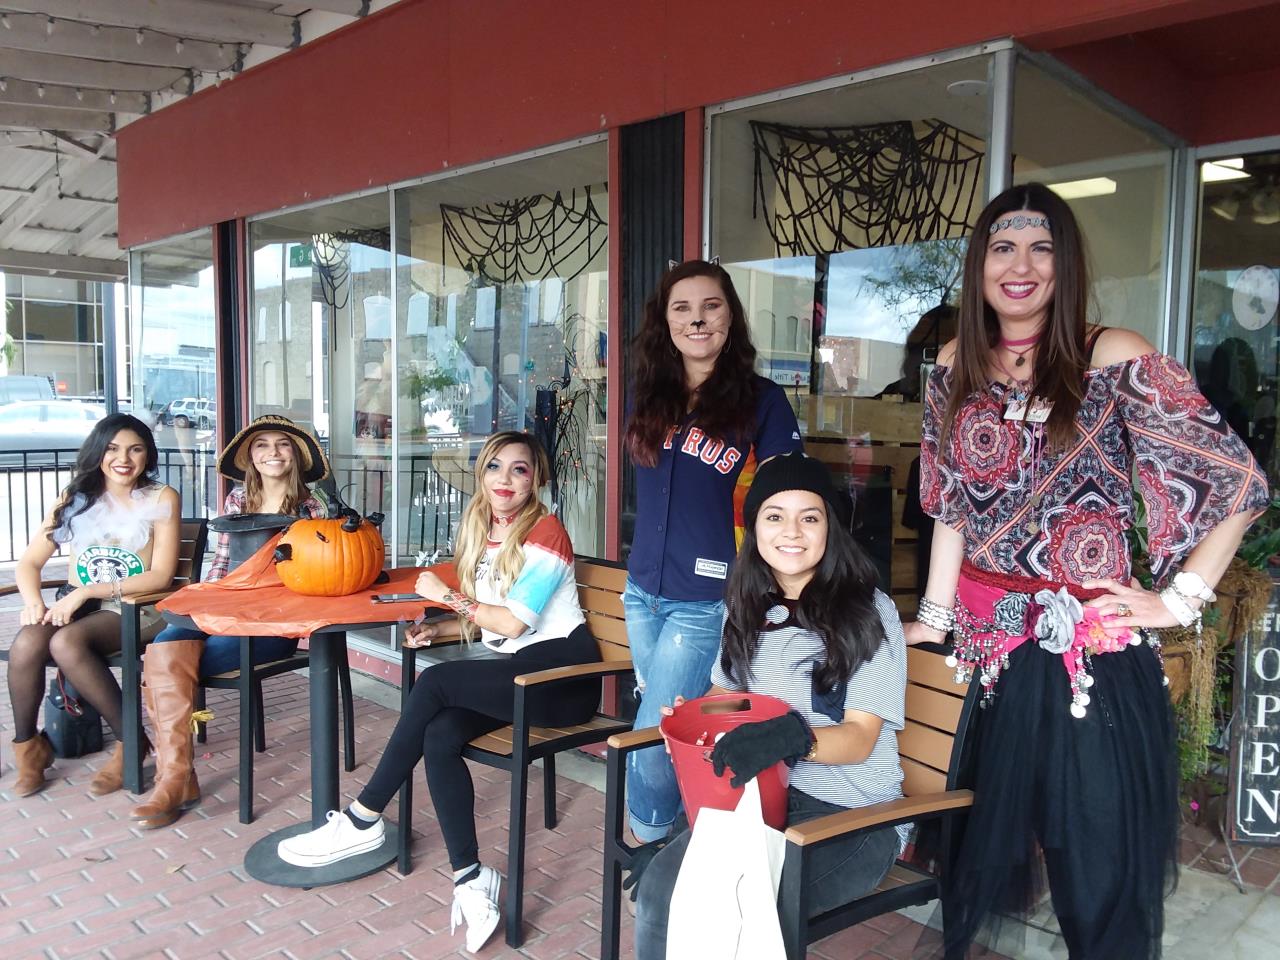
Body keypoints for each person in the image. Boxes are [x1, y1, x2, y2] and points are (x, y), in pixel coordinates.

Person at [907, 183, 1269, 959]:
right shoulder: (952, 366)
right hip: (988, 655)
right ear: (979, 266)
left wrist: (1178, 601)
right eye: (1003, 246)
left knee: (1095, 872)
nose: (1021, 265)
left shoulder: (1115, 355)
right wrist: (932, 620)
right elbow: (948, 508)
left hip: (1086, 659)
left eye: (1042, 247)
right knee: (976, 854)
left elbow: (1236, 482)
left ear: (1065, 265)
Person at [275, 431, 601, 953]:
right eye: (495, 467)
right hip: (519, 670)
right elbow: (493, 625)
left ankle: (363, 818)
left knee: (436, 681)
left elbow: (514, 626)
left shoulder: (546, 531)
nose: (505, 479)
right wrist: (441, 630)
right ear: (481, 474)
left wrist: (445, 597)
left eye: (520, 470)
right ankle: (471, 877)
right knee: (440, 736)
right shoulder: (488, 532)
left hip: (561, 680)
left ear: (536, 479)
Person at [632, 452, 907, 959]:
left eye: (810, 517)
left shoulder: (869, 611)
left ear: (830, 527)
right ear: (754, 528)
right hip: (757, 800)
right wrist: (693, 718)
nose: (792, 532)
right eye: (775, 516)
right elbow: (724, 699)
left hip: (851, 814)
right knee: (658, 896)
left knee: (734, 911)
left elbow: (861, 738)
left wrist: (790, 738)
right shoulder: (749, 604)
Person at [624, 258, 803, 844]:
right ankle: (687, 833)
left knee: (652, 741)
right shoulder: (648, 391)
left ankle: (652, 850)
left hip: (701, 602)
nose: (697, 320)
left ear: (731, 317)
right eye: (683, 308)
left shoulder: (761, 400)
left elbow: (786, 485)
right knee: (673, 727)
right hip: (639, 592)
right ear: (665, 321)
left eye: (711, 307)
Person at [129, 415, 330, 829]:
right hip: (226, 605)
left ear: (295, 455)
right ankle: (176, 774)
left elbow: (319, 575)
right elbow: (222, 566)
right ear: (250, 457)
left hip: (274, 622)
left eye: (282, 444)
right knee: (168, 642)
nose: (272, 453)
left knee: (167, 666)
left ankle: (176, 779)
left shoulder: (313, 507)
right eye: (262, 446)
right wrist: (209, 608)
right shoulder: (237, 502)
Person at [7, 414, 180, 798]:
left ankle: (131, 743)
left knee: (66, 643)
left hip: (138, 605)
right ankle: (29, 748)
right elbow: (29, 563)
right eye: (113, 448)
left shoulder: (160, 497)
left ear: (147, 455)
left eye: (135, 449)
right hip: (79, 605)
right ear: (98, 452)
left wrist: (85, 592)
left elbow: (161, 577)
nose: (124, 458)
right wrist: (34, 603)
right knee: (28, 643)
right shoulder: (75, 499)